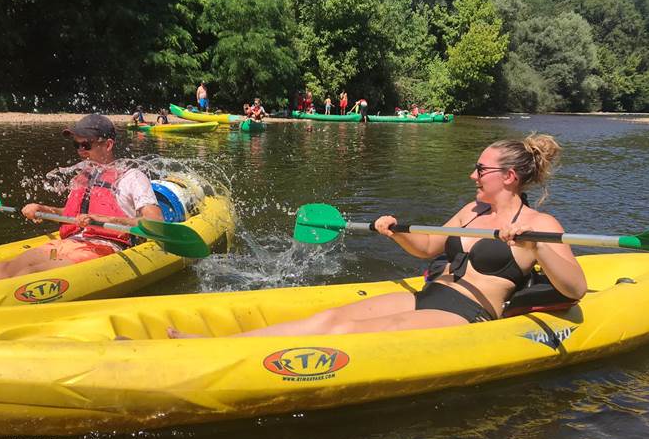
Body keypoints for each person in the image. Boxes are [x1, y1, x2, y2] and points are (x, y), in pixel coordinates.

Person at [168, 134, 587, 338]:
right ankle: (216, 343)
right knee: (329, 319)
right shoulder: (471, 210)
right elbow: (426, 246)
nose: (472, 175)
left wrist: (534, 244)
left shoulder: (542, 225)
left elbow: (574, 288)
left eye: (481, 169)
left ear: (508, 177)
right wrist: (394, 233)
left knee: (348, 332)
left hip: (469, 314)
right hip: (430, 293)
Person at [0, 115, 164, 288]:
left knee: (29, 274)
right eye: (77, 145)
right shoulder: (83, 175)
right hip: (70, 244)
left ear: (108, 145)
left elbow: (155, 224)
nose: (80, 151)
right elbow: (70, 214)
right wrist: (41, 208)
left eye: (86, 145)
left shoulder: (132, 177)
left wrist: (102, 219)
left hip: (105, 248)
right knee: (1, 269)